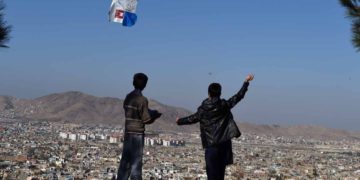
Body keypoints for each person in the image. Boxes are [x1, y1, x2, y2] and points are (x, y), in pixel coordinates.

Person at [176, 74, 254, 180]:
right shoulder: (224, 105)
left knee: (212, 175)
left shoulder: (203, 110)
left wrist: (179, 121)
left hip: (211, 146)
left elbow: (192, 119)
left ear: (208, 93)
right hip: (224, 145)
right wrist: (245, 82)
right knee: (220, 175)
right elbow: (238, 96)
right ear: (220, 93)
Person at [117, 73, 162, 180]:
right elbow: (146, 119)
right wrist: (155, 115)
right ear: (145, 85)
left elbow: (131, 111)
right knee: (136, 163)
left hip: (128, 132)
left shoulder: (128, 97)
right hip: (137, 134)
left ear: (133, 82)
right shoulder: (142, 100)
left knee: (125, 161)